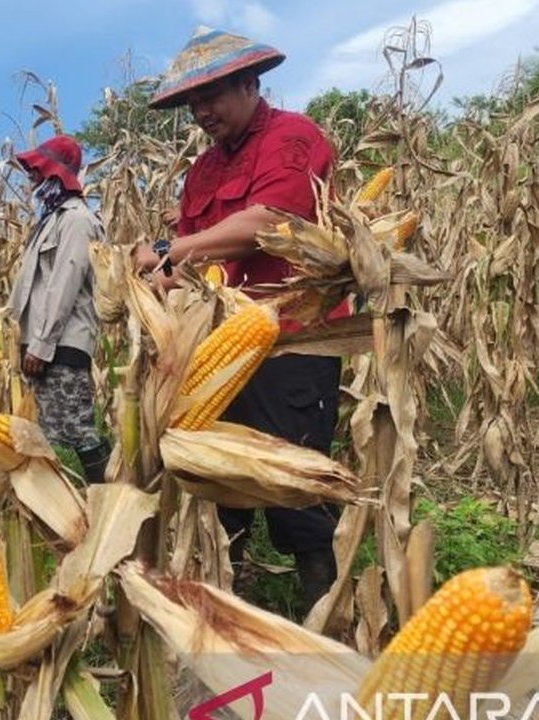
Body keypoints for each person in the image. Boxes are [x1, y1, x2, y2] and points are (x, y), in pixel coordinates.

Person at [132, 27, 343, 609]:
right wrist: (156, 278)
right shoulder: (200, 171)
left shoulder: (293, 138)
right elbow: (198, 254)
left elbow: (267, 224)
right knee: (219, 476)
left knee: (295, 473)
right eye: (194, 103)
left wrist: (172, 248)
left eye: (213, 97)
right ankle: (229, 595)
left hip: (292, 338)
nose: (202, 112)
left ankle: (321, 605)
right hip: (220, 343)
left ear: (251, 84)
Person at [9, 136, 111, 483]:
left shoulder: (77, 220)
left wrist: (41, 344)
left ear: (56, 172)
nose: (31, 177)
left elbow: (63, 286)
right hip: (40, 344)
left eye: (36, 170)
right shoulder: (50, 219)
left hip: (60, 346)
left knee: (77, 430)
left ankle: (109, 499)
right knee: (47, 433)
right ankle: (62, 505)